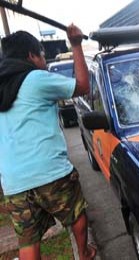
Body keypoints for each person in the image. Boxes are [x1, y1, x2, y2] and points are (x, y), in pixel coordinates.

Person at [0, 24, 95, 260]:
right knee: (76, 213)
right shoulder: (36, 79)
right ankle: (84, 254)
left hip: (14, 183)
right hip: (50, 172)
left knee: (28, 240)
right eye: (41, 54)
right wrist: (75, 45)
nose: (43, 58)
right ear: (31, 56)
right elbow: (83, 86)